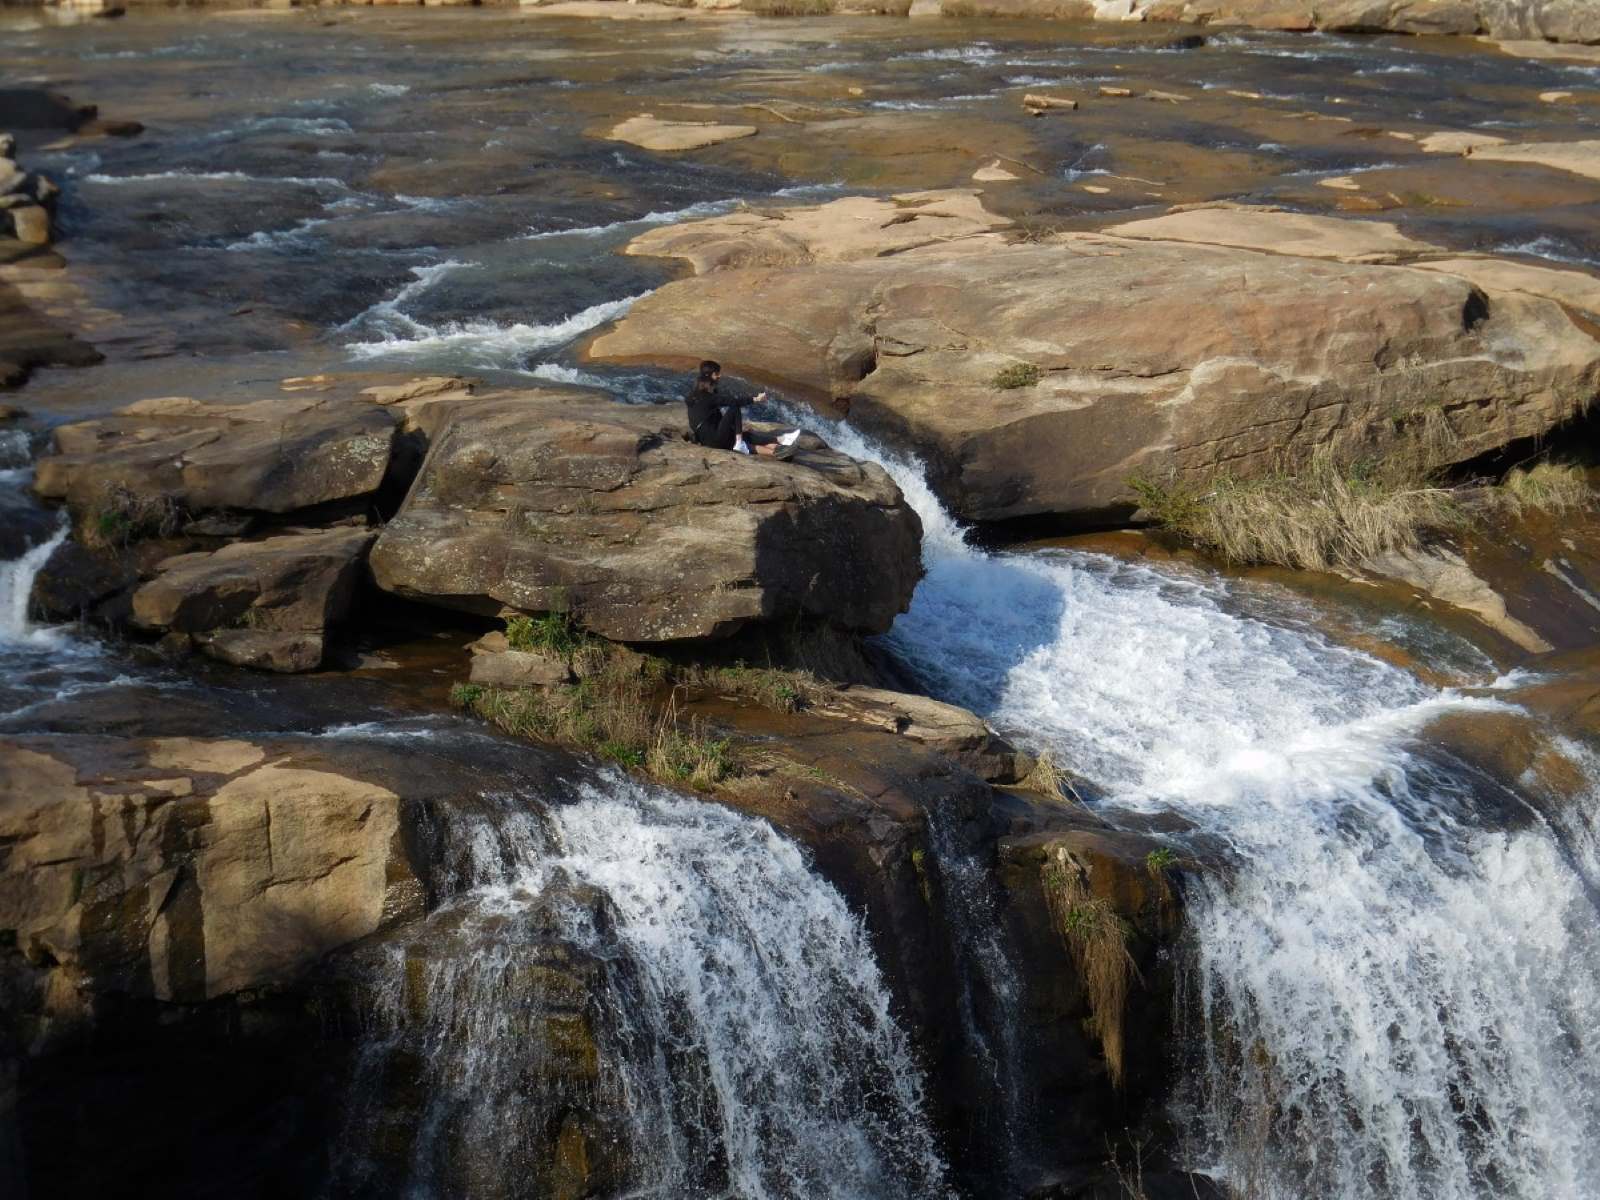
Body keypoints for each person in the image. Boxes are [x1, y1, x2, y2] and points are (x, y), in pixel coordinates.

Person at [684, 360, 790, 457]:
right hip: (715, 439)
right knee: (734, 408)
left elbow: (714, 419)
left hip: (708, 439)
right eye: (717, 373)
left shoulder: (695, 395)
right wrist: (756, 399)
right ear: (709, 376)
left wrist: (735, 429)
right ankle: (742, 443)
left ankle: (779, 445)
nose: (720, 376)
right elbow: (734, 402)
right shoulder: (707, 397)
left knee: (747, 436)